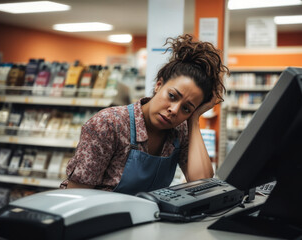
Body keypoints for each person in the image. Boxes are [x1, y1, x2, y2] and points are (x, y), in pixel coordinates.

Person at [60, 34, 229, 195]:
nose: (174, 110)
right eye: (172, 96)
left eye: (186, 108)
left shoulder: (180, 131)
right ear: (159, 84)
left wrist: (194, 120)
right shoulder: (109, 124)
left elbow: (202, 183)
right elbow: (77, 195)